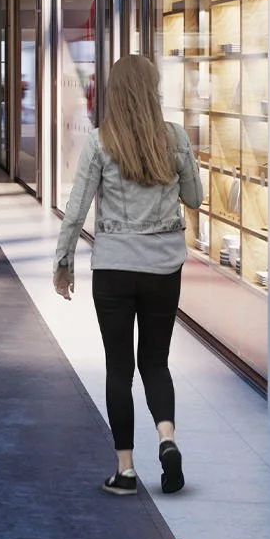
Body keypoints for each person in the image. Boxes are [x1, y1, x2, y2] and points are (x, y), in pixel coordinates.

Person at [55, 53, 204, 495]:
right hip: (163, 266)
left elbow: (77, 206)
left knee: (119, 368)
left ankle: (125, 471)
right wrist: (180, 170)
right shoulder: (174, 138)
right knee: (155, 362)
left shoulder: (101, 141)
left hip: (115, 269)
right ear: (153, 90)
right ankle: (168, 440)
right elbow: (194, 197)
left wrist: (64, 262)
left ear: (114, 93)